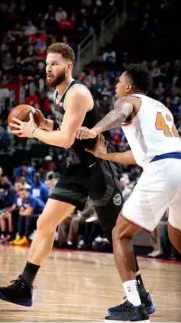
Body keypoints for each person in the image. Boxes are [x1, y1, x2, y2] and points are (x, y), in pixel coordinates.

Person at [0, 45, 153, 318]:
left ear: (68, 66)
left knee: (117, 237)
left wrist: (33, 133)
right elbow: (67, 129)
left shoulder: (77, 93)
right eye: (46, 64)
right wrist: (45, 124)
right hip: (77, 169)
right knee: (45, 223)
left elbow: (65, 140)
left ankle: (140, 297)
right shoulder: (58, 94)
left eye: (54, 64)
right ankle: (24, 286)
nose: (48, 69)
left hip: (100, 170)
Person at [76, 63, 181, 322]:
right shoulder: (161, 108)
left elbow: (119, 113)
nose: (115, 87)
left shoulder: (129, 101)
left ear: (129, 87)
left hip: (163, 170)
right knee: (177, 234)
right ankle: (142, 298)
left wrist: (95, 129)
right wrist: (105, 155)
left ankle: (135, 304)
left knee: (120, 234)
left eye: (119, 82)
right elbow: (139, 155)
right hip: (176, 164)